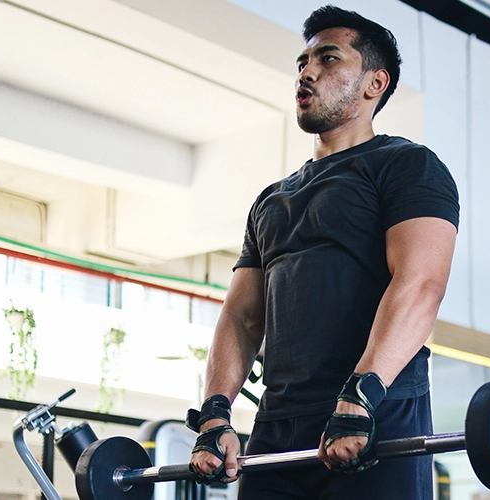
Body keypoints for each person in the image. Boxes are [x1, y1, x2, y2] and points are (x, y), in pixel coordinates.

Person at [188, 5, 459, 499]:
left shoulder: (406, 166)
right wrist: (215, 413)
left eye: (329, 59)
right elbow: (241, 318)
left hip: (371, 420)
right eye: (302, 62)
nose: (307, 71)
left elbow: (421, 285)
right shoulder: (271, 199)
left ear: (375, 84)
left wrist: (361, 395)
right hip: (278, 430)